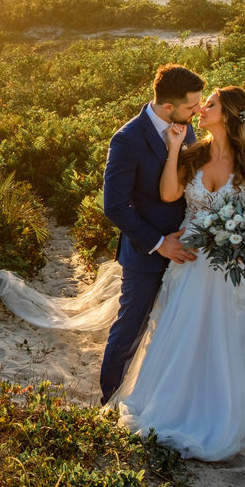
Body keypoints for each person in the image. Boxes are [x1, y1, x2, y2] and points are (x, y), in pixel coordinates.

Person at [107, 85, 245, 461]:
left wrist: (237, 238)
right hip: (190, 263)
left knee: (223, 340)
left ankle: (218, 412)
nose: (201, 110)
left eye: (210, 104)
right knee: (181, 334)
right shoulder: (193, 154)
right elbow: (169, 194)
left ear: (229, 115)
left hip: (231, 269)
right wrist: (172, 150)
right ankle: (175, 406)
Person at [98, 64, 203, 406]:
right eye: (191, 107)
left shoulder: (186, 130)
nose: (197, 112)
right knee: (130, 328)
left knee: (172, 328)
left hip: (187, 252)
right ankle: (109, 398)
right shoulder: (127, 138)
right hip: (145, 255)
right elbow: (114, 205)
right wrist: (160, 244)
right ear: (169, 106)